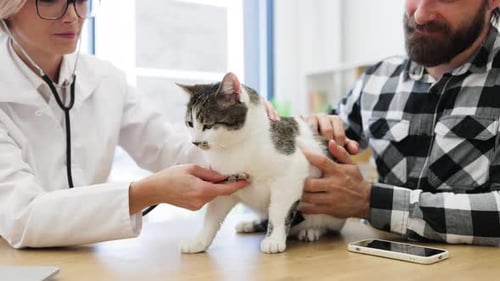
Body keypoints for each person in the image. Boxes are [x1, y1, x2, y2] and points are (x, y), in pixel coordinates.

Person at [0, 0, 282, 249]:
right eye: (50, 0)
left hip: (88, 260)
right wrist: (144, 193)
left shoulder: (105, 79)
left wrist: (250, 131)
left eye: (80, 0)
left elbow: (172, 149)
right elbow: (21, 217)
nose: (72, 15)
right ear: (6, 9)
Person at [302, 0, 500, 246]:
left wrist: (370, 202)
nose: (420, 15)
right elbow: (321, 144)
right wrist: (304, 133)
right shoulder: (377, 79)